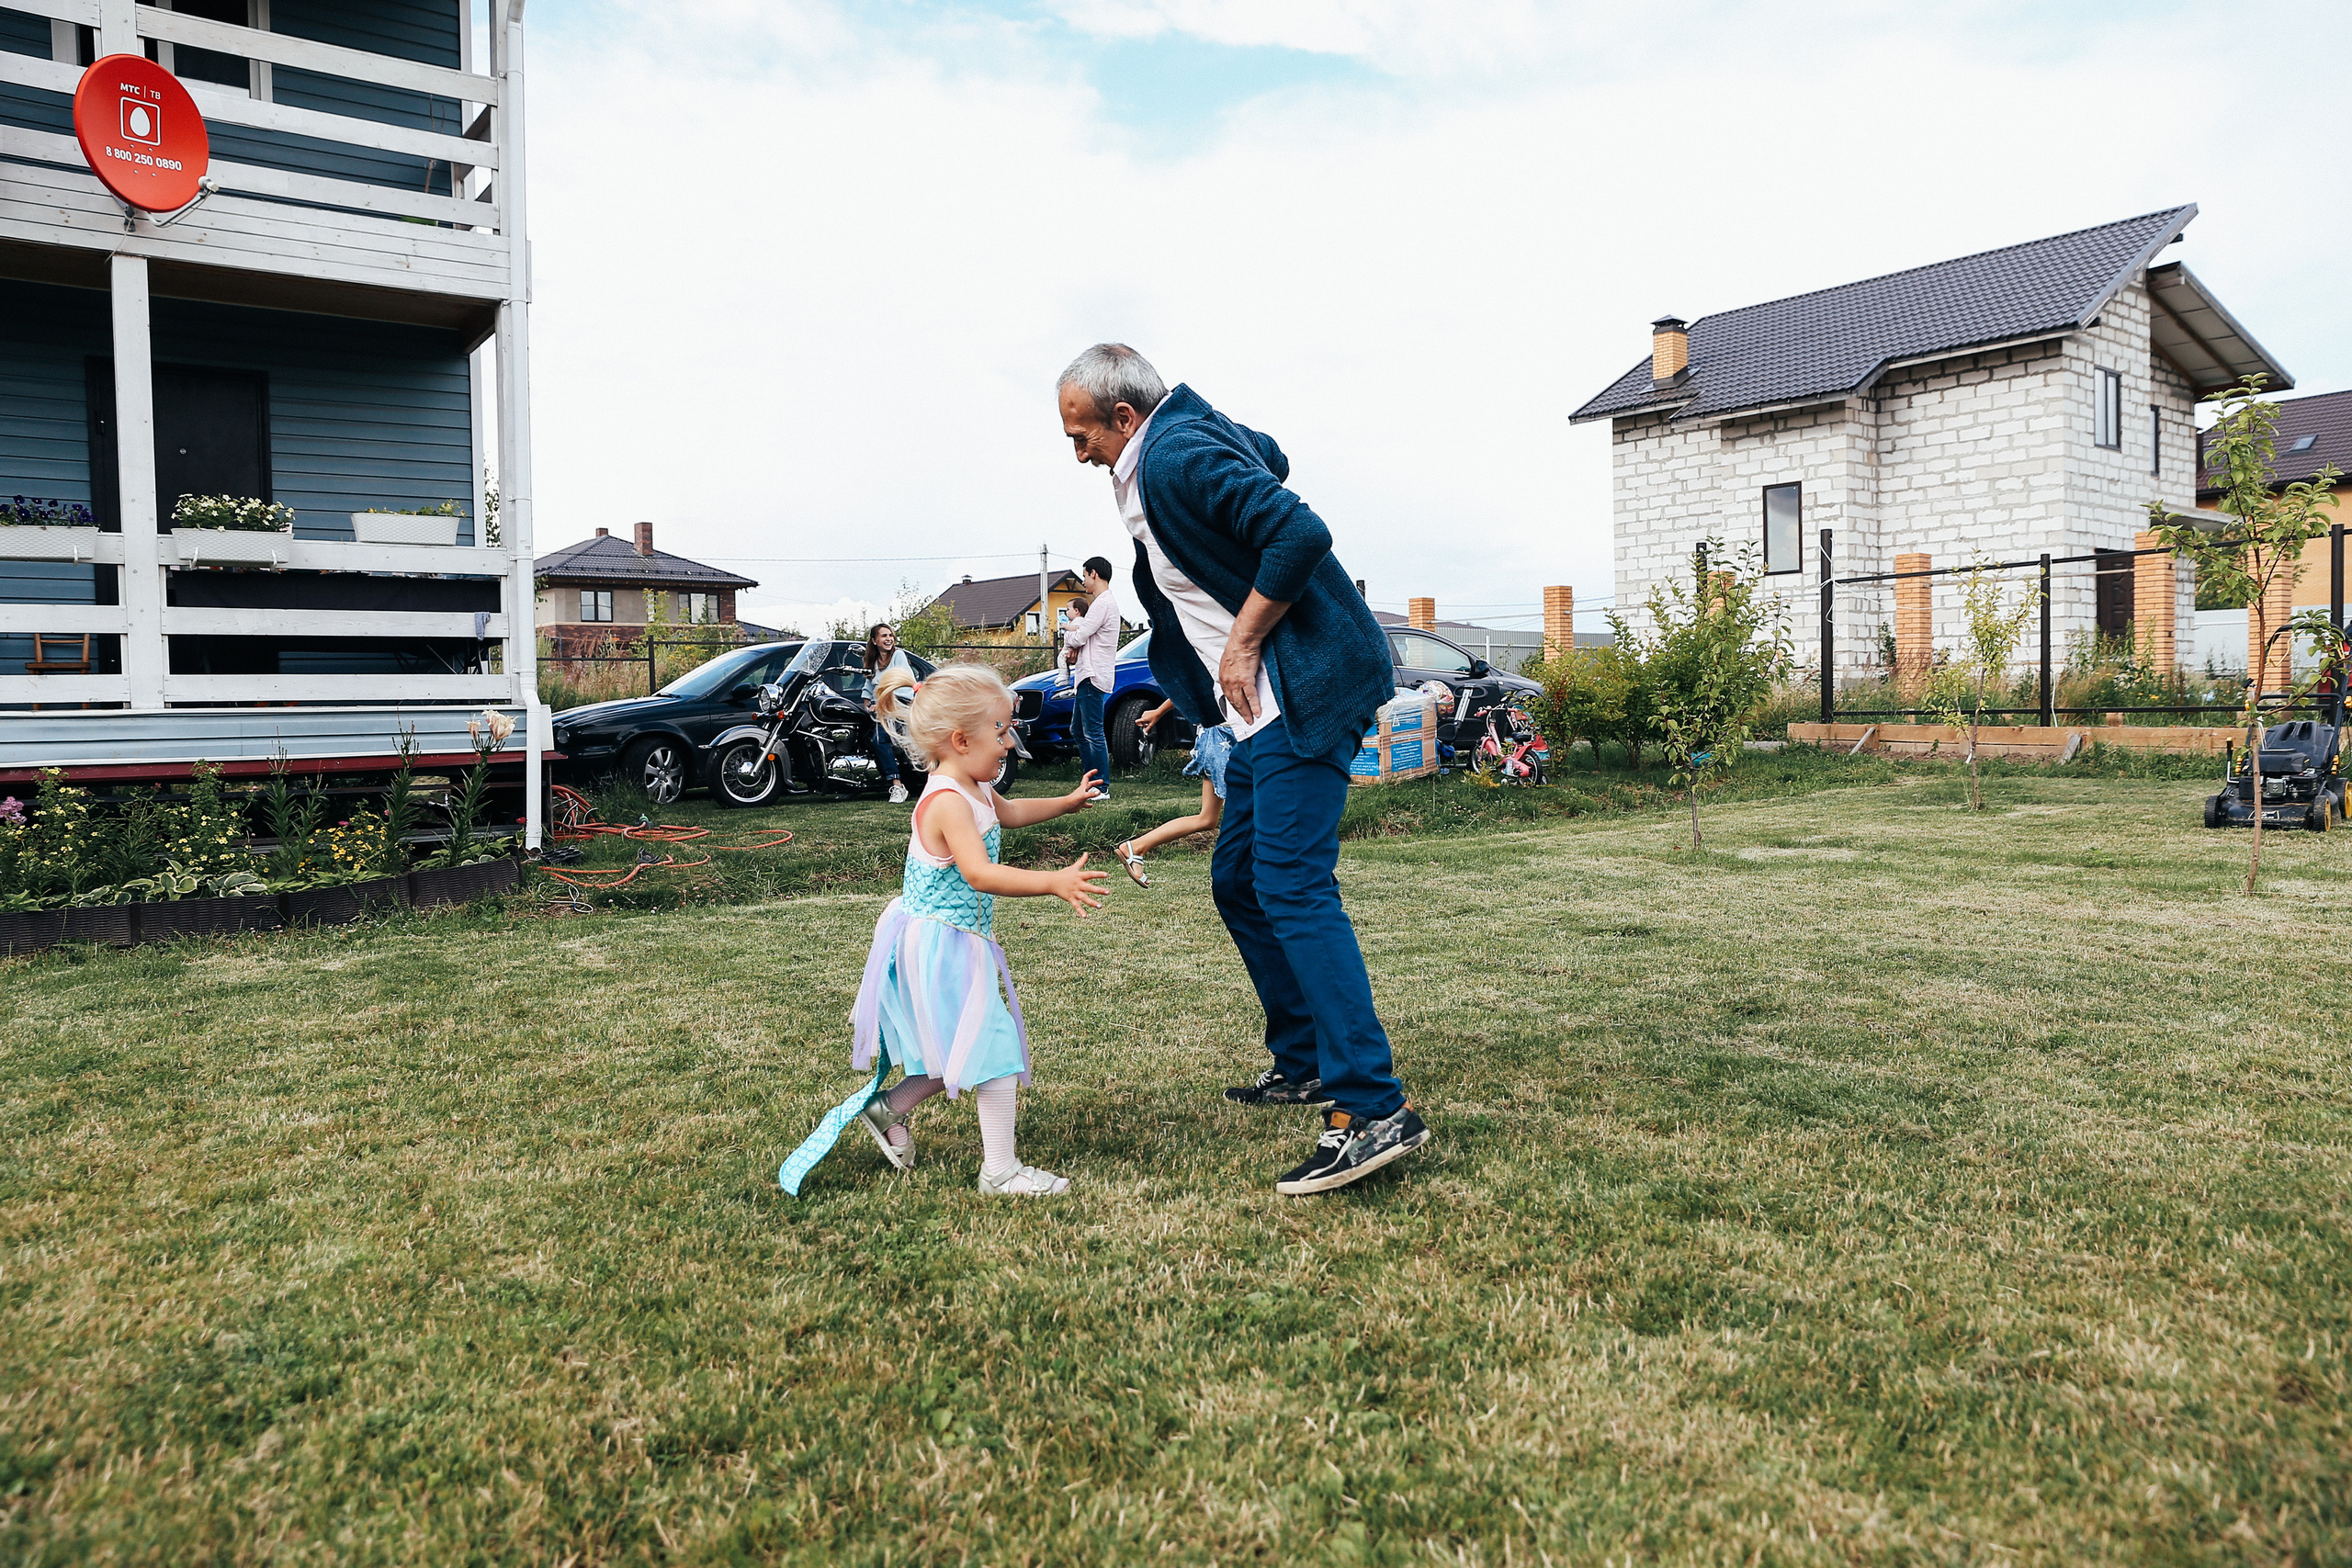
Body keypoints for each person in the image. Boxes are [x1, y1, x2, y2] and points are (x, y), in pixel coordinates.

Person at [1056, 342, 1431, 1197]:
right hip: (1252, 715)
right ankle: (1303, 1059)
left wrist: (1248, 634)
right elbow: (1270, 453)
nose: (1078, 453)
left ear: (1124, 418)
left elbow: (1298, 530)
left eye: (1082, 435)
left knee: (1293, 883)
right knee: (1239, 876)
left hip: (1298, 693)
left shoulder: (1175, 454)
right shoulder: (1182, 442)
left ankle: (1371, 1108)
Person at [777, 662, 1109, 1199]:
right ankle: (1000, 1172)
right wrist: (1052, 881)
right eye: (1000, 731)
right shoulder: (949, 800)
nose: (1010, 742)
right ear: (960, 739)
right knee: (994, 1049)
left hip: (953, 939)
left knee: (957, 1043)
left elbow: (1014, 813)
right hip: (943, 944)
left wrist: (1067, 802)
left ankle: (889, 1109)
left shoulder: (972, 788)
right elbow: (979, 872)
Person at [1111, 699, 1231, 887]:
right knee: (1246, 810)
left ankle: (1136, 847)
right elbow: (1196, 678)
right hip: (1224, 736)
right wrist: (1159, 711)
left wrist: (1159, 711)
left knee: (1207, 819)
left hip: (1219, 735)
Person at [1059, 556, 1121, 800]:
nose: (1084, 581)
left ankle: (1100, 786)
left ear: (1094, 573)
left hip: (1093, 675)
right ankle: (1090, 780)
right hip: (1088, 674)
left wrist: (1069, 639)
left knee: (1093, 731)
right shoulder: (1102, 604)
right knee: (1077, 730)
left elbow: (1079, 636)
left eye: (1084, 575)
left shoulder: (1102, 604)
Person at [863, 622, 912, 804]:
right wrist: (867, 706)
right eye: (884, 636)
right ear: (874, 640)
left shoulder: (898, 656)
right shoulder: (873, 662)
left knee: (878, 739)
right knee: (866, 737)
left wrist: (881, 703)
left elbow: (904, 683)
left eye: (890, 635)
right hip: (881, 710)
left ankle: (897, 786)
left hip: (898, 706)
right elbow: (868, 688)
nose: (888, 639)